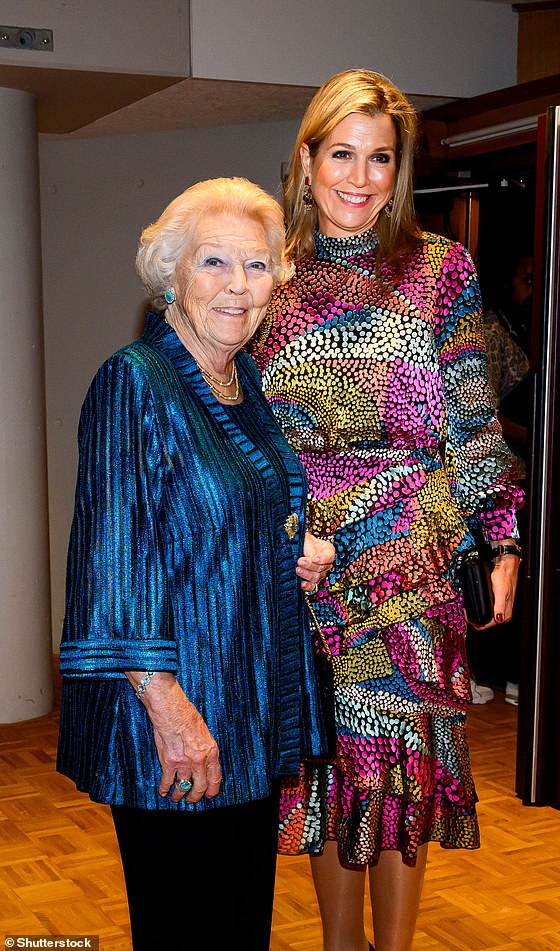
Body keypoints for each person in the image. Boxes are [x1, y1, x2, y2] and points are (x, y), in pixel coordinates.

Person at [250, 69, 524, 951]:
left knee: (402, 772)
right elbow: (246, 434)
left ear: (399, 169)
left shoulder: (441, 269)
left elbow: (474, 419)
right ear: (307, 157)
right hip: (311, 568)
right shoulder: (269, 276)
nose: (360, 178)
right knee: (329, 770)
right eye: (342, 154)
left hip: (417, 565)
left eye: (379, 158)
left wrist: (505, 538)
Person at [56, 177, 335, 951]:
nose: (238, 287)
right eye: (214, 262)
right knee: (186, 927)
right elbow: (112, 563)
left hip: (242, 710)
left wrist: (291, 551)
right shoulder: (135, 380)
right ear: (172, 274)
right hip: (176, 722)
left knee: (239, 926)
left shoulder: (243, 383)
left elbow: (222, 518)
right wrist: (168, 710)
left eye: (256, 266)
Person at [470, 250, 533, 705]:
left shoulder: (522, 331)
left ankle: (512, 673)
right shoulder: (490, 332)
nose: (532, 290)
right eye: (526, 278)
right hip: (479, 481)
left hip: (509, 480)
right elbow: (481, 413)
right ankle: (484, 671)